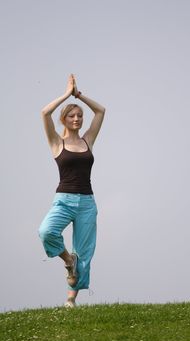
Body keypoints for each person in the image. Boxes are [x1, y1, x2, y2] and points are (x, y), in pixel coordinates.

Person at [38, 74, 105, 307]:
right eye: (72, 115)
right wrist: (66, 94)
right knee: (46, 231)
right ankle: (68, 261)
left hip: (87, 202)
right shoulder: (57, 142)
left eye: (79, 116)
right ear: (64, 119)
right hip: (63, 200)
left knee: (84, 252)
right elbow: (44, 113)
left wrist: (80, 96)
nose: (77, 119)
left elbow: (101, 111)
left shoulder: (88, 140)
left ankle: (70, 300)